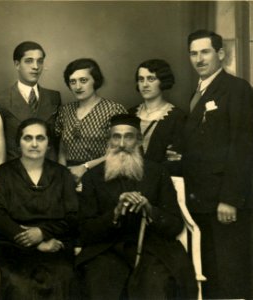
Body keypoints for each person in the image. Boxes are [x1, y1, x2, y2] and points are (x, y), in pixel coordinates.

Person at [76, 114, 197, 299]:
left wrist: (149, 210)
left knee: (156, 284)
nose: (122, 143)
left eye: (129, 136)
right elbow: (84, 231)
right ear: (109, 141)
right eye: (116, 136)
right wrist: (114, 214)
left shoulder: (157, 173)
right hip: (107, 249)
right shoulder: (93, 177)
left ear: (139, 140)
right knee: (99, 281)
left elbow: (175, 225)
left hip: (153, 248)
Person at [180, 29, 253, 299]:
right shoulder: (199, 91)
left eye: (205, 52)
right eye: (193, 53)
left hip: (224, 201)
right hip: (200, 200)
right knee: (211, 274)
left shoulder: (236, 88)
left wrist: (230, 199)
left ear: (221, 54)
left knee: (231, 275)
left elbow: (244, 147)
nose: (199, 58)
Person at [0, 118, 78, 300]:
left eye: (40, 138)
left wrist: (43, 234)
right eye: (28, 138)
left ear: (49, 144)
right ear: (18, 143)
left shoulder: (62, 174)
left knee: (63, 277)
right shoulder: (4, 173)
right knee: (17, 283)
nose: (34, 144)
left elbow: (72, 216)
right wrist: (35, 242)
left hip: (55, 245)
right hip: (14, 247)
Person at [55, 58, 126, 184]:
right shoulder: (65, 110)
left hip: (102, 174)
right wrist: (63, 172)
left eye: (83, 80)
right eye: (72, 82)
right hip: (70, 176)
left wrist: (85, 167)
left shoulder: (114, 110)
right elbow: (62, 148)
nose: (78, 86)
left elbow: (122, 150)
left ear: (95, 81)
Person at [0, 41, 61, 161]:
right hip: (15, 172)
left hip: (49, 172)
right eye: (29, 61)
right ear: (17, 64)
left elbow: (57, 142)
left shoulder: (54, 97)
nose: (36, 66)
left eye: (40, 61)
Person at [128, 59, 185, 168]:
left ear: (163, 81)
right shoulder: (130, 113)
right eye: (141, 79)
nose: (144, 85)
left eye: (151, 79)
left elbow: (175, 159)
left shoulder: (177, 117)